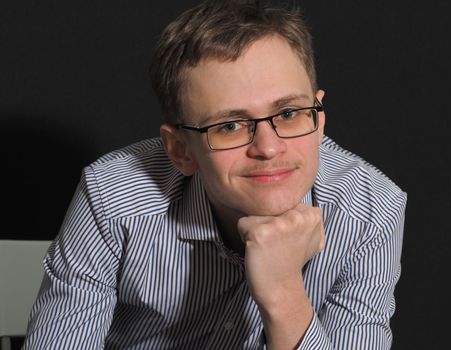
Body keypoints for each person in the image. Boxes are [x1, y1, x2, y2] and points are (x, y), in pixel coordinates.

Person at [22, 1, 406, 349]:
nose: (268, 148)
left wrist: (284, 291)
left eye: (288, 114)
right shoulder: (112, 197)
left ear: (319, 119)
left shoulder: (371, 210)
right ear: (181, 150)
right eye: (229, 126)